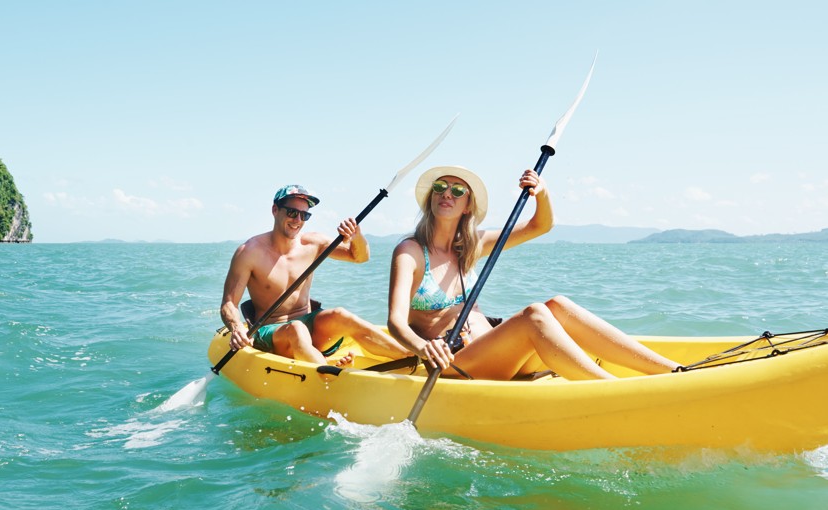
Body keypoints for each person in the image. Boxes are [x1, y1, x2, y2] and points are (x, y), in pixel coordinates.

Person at [387, 166, 680, 380]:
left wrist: (541, 193)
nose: (447, 194)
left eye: (457, 190)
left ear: (467, 206)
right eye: (439, 188)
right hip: (456, 366)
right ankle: (613, 390)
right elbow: (396, 321)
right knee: (535, 315)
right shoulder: (410, 252)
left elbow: (539, 226)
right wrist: (425, 349)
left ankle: (672, 371)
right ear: (430, 199)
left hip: (498, 358)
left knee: (558, 306)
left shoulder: (471, 245)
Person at [221, 184, 409, 366]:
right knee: (297, 329)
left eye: (305, 215)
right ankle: (330, 375)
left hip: (309, 324)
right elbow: (229, 303)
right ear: (275, 210)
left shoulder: (313, 243)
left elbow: (359, 257)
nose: (298, 220)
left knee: (341, 314)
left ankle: (410, 356)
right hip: (273, 332)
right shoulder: (249, 252)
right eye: (292, 212)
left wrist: (356, 236)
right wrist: (237, 328)